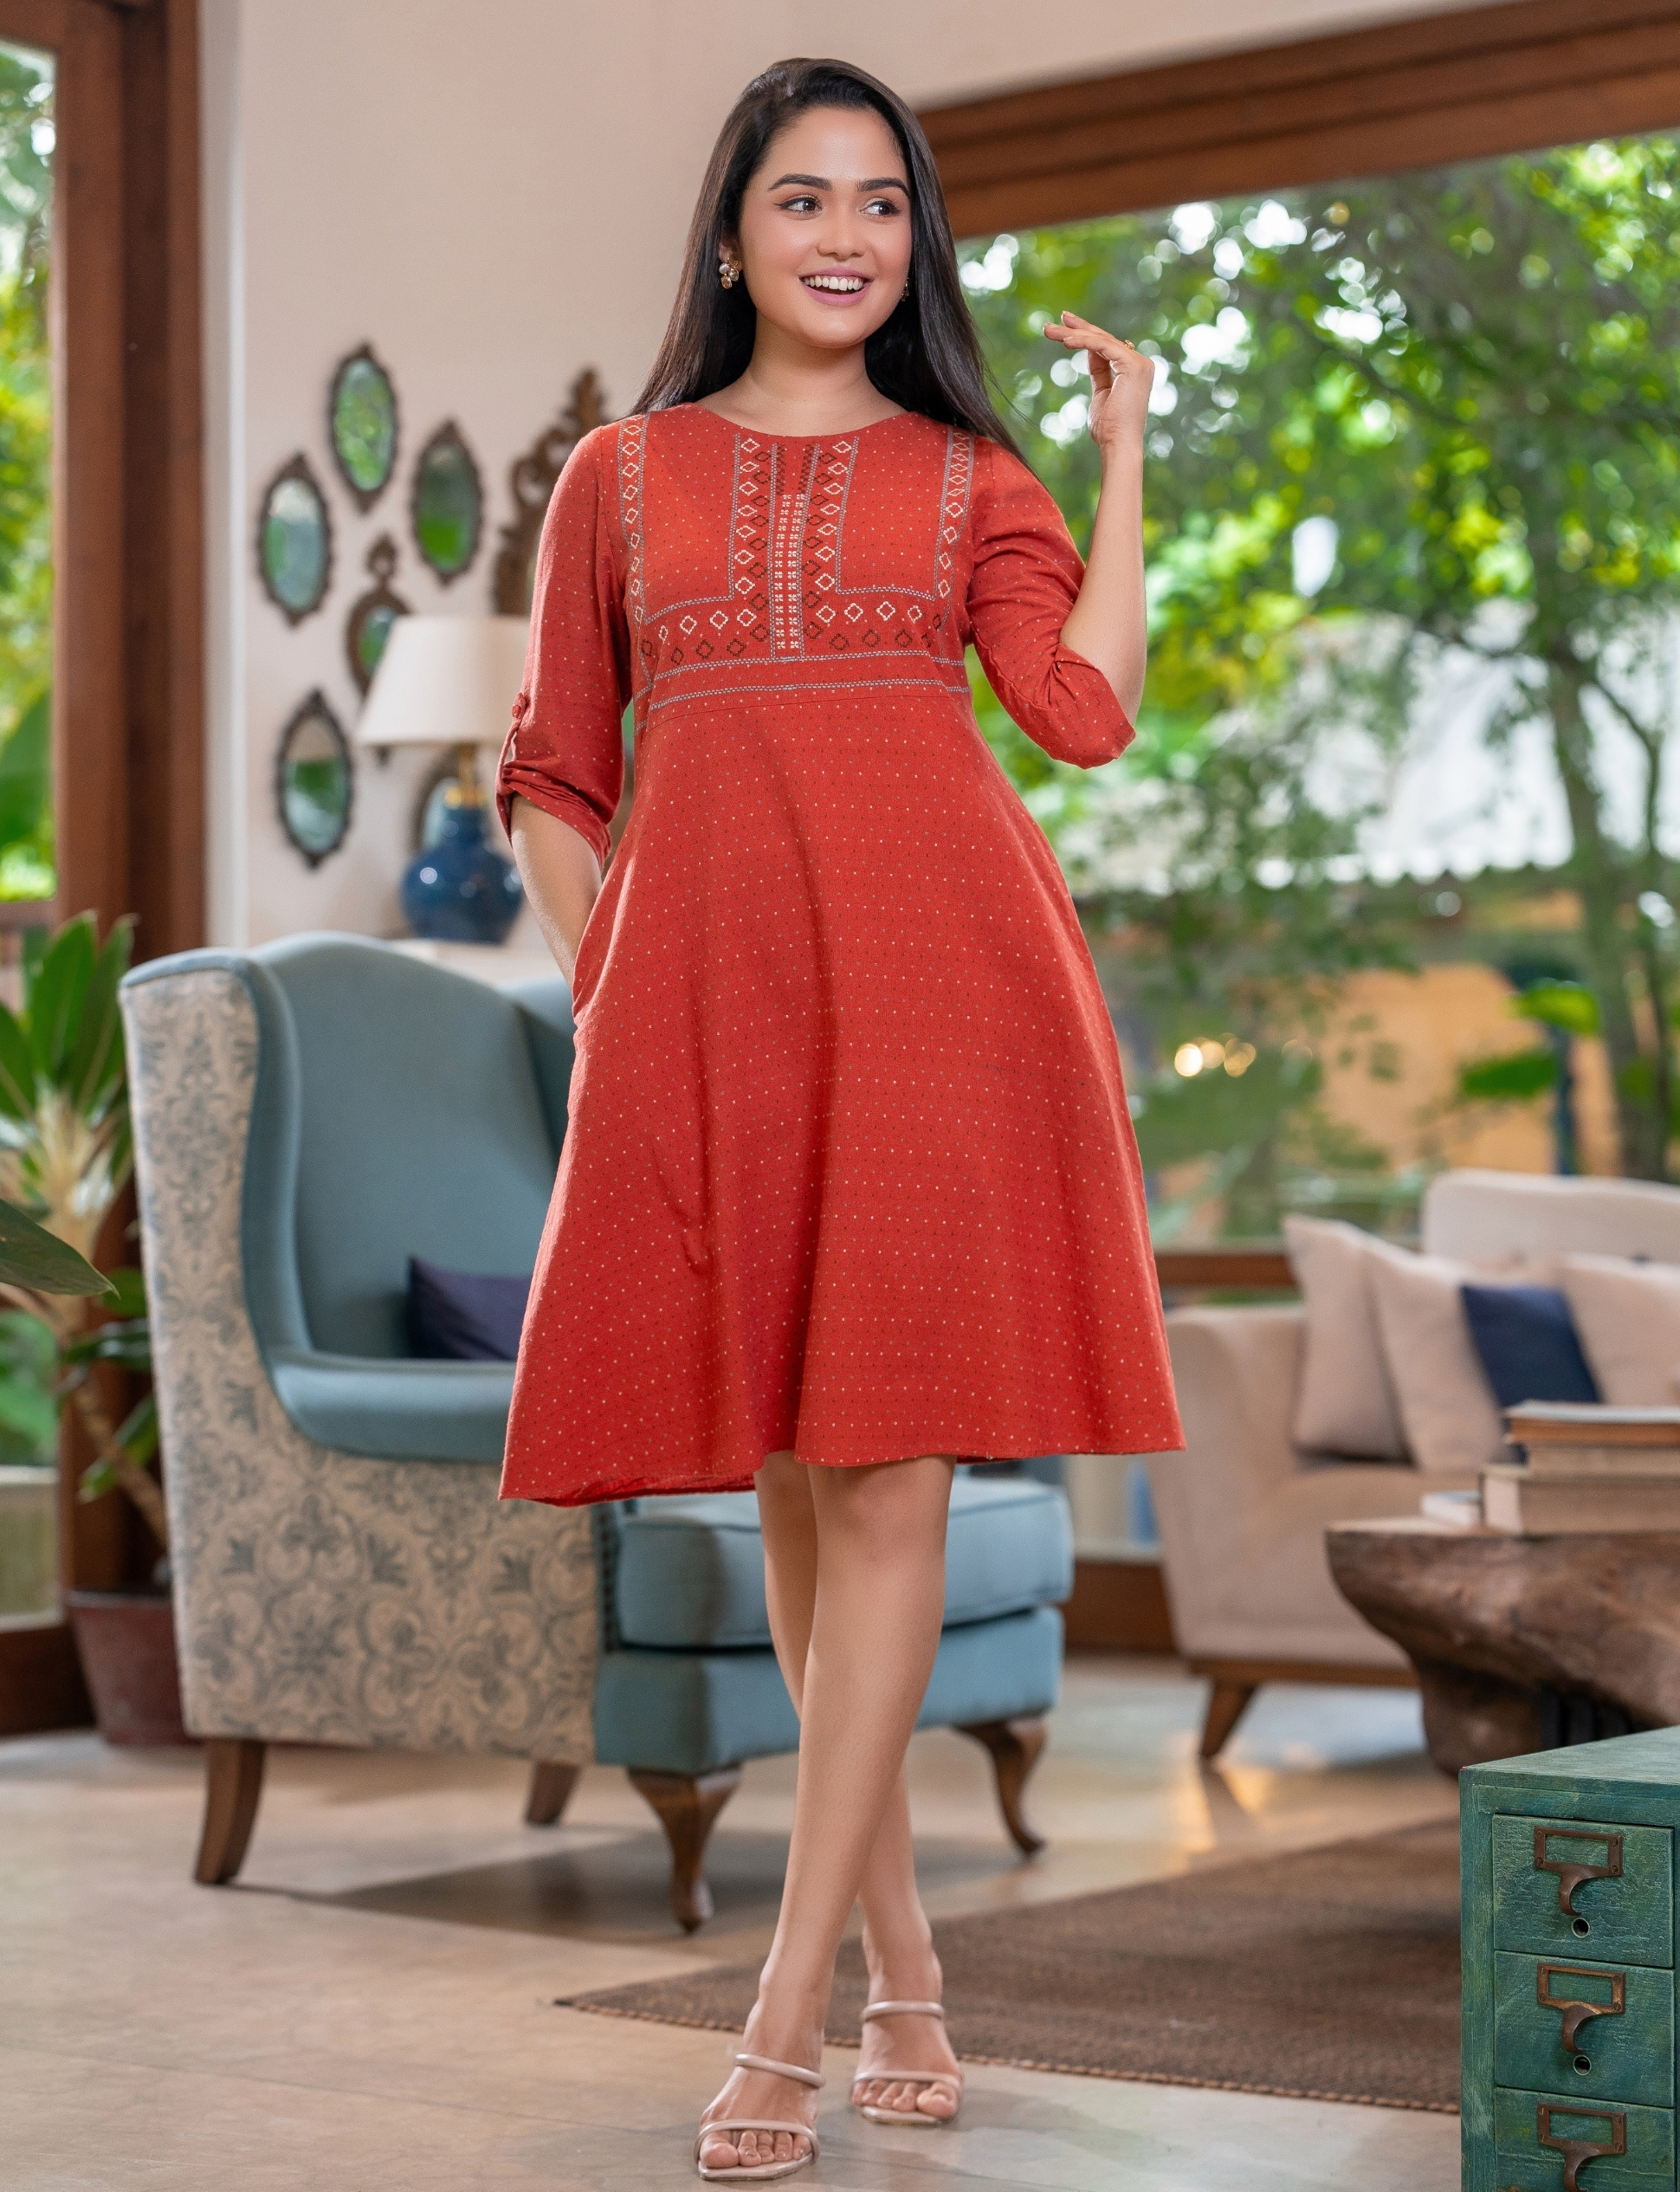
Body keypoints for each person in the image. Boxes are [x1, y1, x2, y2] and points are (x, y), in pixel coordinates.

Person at [497, 55, 1182, 2183]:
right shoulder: (619, 476)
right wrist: (610, 994)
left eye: (881, 204)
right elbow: (554, 772)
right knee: (796, 1490)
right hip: (708, 1016)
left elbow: (1078, 714)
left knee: (883, 1479)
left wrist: (1120, 454)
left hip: (945, 999)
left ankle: (779, 2017)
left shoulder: (972, 476)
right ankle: (904, 1976)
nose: (844, 237)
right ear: (730, 235)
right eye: (801, 199)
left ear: (916, 242)